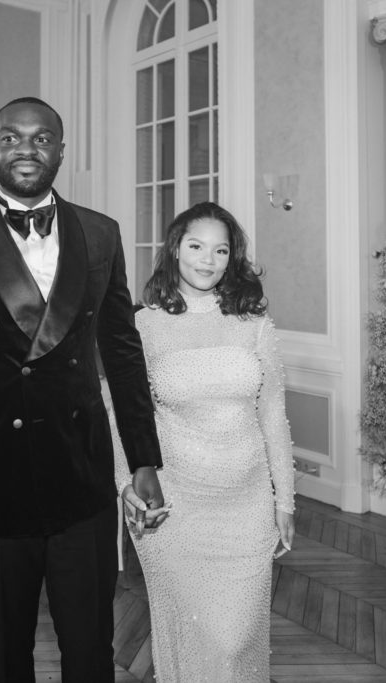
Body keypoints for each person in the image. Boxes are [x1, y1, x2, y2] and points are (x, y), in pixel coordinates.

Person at [0, 96, 165, 682]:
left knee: (91, 652)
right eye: (11, 138)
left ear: (61, 151)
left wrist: (144, 458)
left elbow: (123, 354)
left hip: (82, 477)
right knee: (5, 656)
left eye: (41, 138)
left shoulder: (101, 233)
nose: (26, 148)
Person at [115, 202, 296, 682]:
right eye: (197, 246)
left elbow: (273, 416)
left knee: (237, 638)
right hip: (176, 505)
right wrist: (125, 486)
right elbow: (123, 418)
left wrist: (285, 501)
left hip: (247, 503)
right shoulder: (144, 325)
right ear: (176, 249)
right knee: (195, 630)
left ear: (232, 257)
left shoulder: (254, 323)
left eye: (221, 250)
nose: (208, 260)